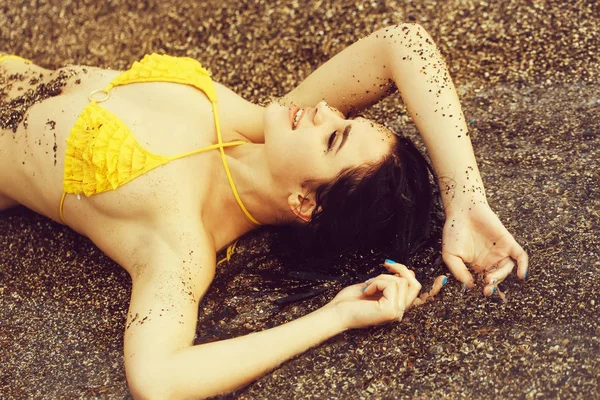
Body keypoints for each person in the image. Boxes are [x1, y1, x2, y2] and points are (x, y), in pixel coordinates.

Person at [0, 23, 528, 399]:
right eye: (341, 117)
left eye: (335, 136)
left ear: (304, 202)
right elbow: (403, 44)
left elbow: (158, 379)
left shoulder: (179, 238)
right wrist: (466, 198)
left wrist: (335, 317)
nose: (324, 110)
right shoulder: (261, 126)